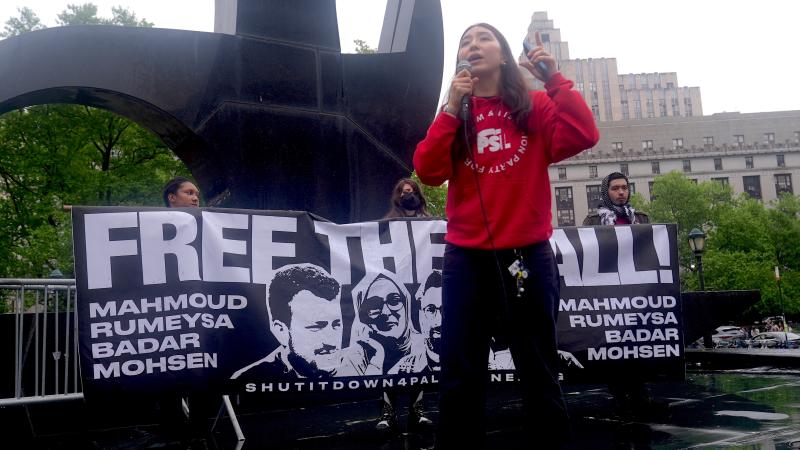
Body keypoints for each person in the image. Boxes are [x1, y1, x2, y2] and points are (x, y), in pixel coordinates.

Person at [413, 23, 598, 449]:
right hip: (466, 259)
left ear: (502, 56)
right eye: (465, 41)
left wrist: (553, 79)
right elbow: (428, 170)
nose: (472, 45)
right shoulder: (456, 114)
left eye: (483, 38)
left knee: (537, 365)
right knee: (460, 370)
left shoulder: (532, 106)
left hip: (526, 256)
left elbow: (585, 133)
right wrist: (449, 107)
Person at [232, 264, 345, 380]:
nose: (331, 340)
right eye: (316, 327)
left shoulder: (357, 368)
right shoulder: (250, 380)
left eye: (337, 325)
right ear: (281, 331)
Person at [582, 172, 649, 225]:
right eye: (615, 188)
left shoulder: (642, 219)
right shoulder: (592, 221)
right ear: (606, 192)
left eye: (624, 188)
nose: (621, 192)